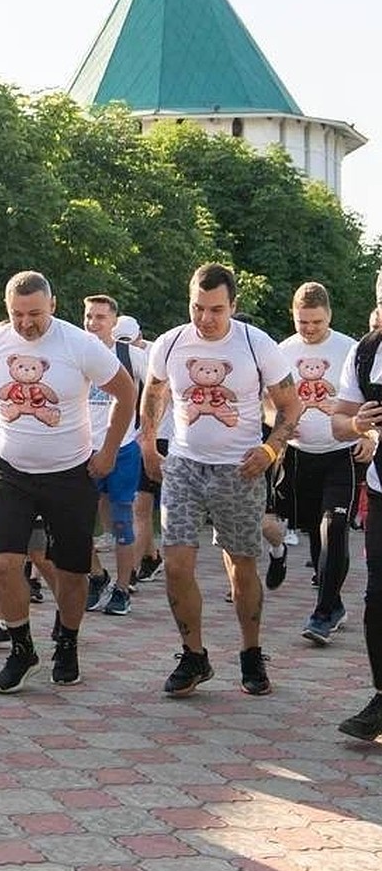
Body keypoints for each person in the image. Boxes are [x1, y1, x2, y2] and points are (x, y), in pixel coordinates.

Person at [0, 271, 136, 693]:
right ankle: (21, 648)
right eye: (17, 314)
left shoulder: (79, 345)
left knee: (72, 571)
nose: (26, 323)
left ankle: (67, 642)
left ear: (52, 306)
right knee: (2, 560)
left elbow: (126, 393)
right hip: (9, 468)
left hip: (70, 472)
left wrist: (107, 452)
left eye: (34, 313)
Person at [140, 263, 301, 698]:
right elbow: (154, 392)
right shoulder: (171, 343)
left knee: (241, 566)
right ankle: (193, 655)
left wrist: (270, 450)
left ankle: (251, 653)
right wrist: (148, 441)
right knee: (175, 565)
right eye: (197, 308)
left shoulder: (256, 344)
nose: (205, 319)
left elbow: (291, 406)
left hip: (239, 469)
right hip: (185, 466)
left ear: (233, 305)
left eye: (215, 309)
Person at [275, 282, 375, 643]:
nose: (309, 328)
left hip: (341, 453)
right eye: (303, 321)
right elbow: (269, 402)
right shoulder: (282, 351)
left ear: (328, 316)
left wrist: (365, 435)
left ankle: (323, 612)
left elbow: (361, 402)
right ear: (293, 315)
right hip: (301, 454)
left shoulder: (349, 348)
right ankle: (332, 604)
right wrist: (279, 434)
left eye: (316, 321)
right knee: (316, 534)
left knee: (334, 525)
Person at [328, 309, 382, 741]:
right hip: (381, 490)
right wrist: (356, 424)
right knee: (377, 597)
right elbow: (339, 422)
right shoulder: (366, 352)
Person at [83, 295, 147, 616]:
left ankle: (123, 588)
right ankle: (97, 576)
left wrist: (147, 432)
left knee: (123, 521)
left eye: (100, 317)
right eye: (89, 317)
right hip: (82, 449)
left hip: (122, 448)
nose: (93, 323)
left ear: (113, 321)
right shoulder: (76, 351)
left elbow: (158, 389)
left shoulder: (130, 355)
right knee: (76, 523)